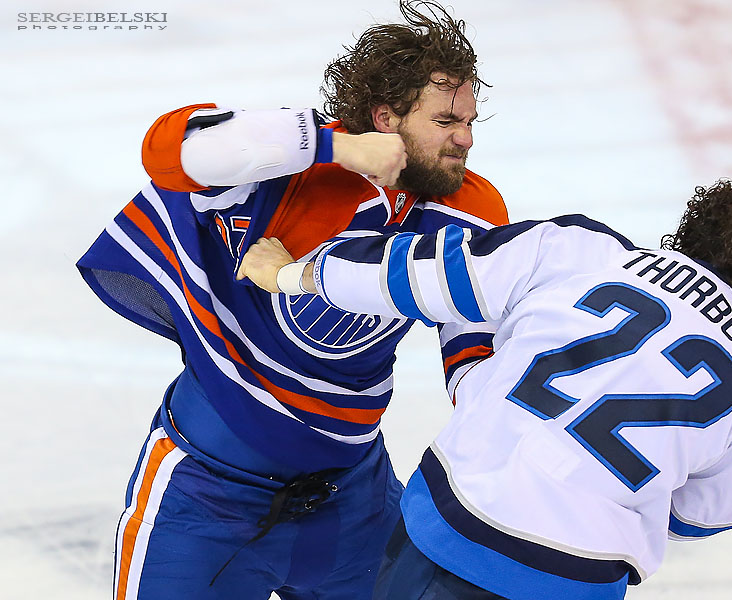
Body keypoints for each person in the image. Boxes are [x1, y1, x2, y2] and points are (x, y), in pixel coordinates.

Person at [76, 2, 508, 599]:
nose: (465, 138)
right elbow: (167, 150)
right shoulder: (285, 169)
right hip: (204, 499)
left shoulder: (472, 207)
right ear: (385, 118)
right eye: (445, 121)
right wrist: (339, 148)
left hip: (352, 501)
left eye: (469, 120)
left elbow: (471, 348)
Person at [237, 180, 732, 599]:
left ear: (689, 233)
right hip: (574, 578)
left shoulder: (581, 250)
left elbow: (431, 274)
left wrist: (296, 273)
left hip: (455, 524)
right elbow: (707, 515)